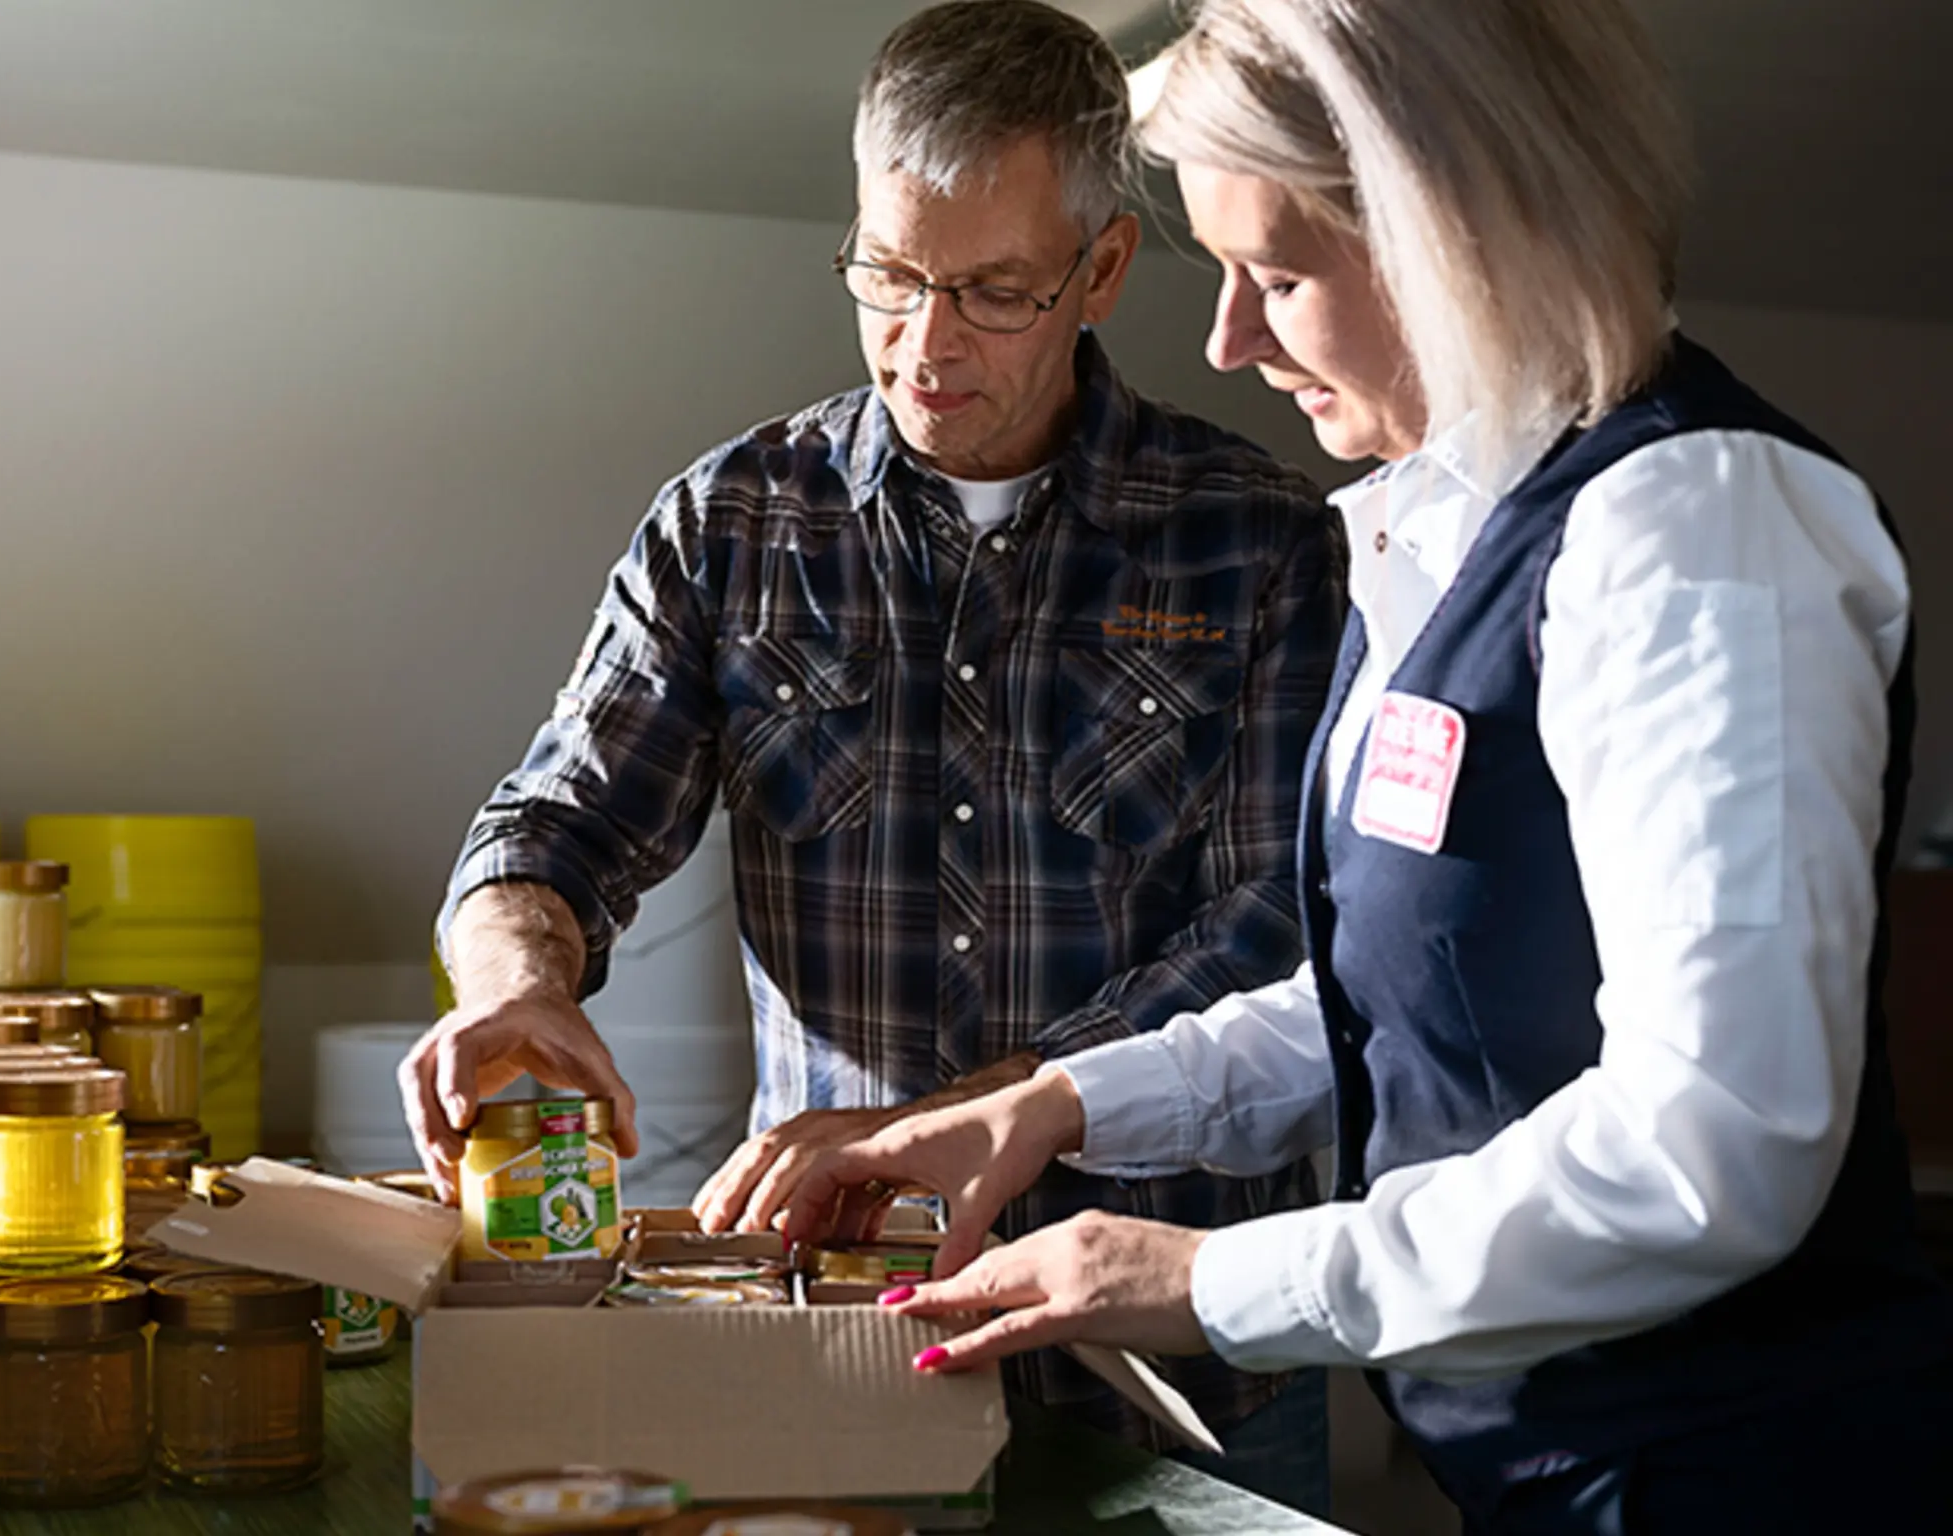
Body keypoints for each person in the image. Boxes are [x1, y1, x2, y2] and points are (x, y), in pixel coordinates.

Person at [780, 0, 1953, 1529]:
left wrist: (1210, 1277)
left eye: (1277, 276)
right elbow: (1394, 1003)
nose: (1229, 342)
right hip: (1546, 1470)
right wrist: (1058, 1108)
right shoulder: (1439, 539)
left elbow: (1713, 1147)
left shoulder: (1694, 531)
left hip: (1736, 1476)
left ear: (1460, 230)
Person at [397, 0, 1345, 1510]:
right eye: (888, 274)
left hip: (1174, 1356)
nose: (925, 342)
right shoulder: (733, 525)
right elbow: (557, 823)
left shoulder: (1264, 542)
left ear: (1103, 269)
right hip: (844, 1337)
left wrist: (928, 1124)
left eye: (993, 291)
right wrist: (516, 984)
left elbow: (1274, 936)